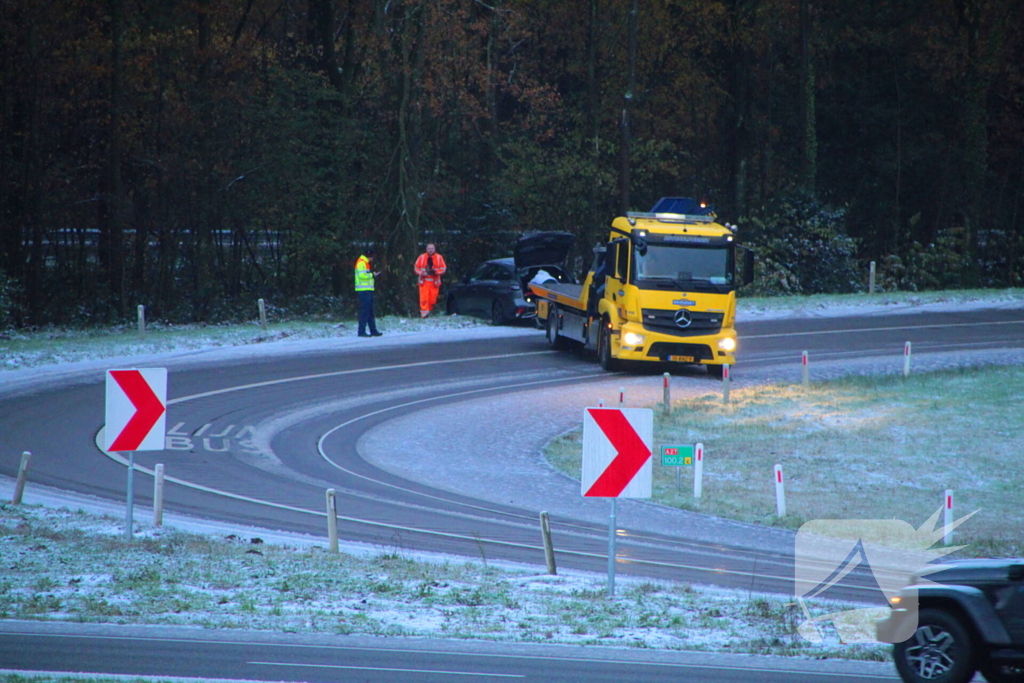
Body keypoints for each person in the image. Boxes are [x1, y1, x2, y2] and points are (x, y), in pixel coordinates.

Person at [354, 248, 382, 337]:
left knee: (370, 311)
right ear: (369, 256)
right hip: (363, 290)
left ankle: (373, 330)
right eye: (372, 257)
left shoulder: (364, 262)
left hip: (367, 289)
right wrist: (372, 275)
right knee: (365, 311)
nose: (372, 259)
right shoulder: (362, 262)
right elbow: (362, 276)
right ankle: (361, 331)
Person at [413, 243, 447, 318]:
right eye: (429, 248)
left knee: (432, 300)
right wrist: (423, 273)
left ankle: (429, 311)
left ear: (434, 249)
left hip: (434, 283)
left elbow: (443, 269)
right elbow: (416, 268)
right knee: (424, 299)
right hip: (424, 282)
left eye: (432, 248)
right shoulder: (421, 257)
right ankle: (424, 315)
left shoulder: (439, 257)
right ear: (426, 249)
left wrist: (435, 272)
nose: (430, 250)